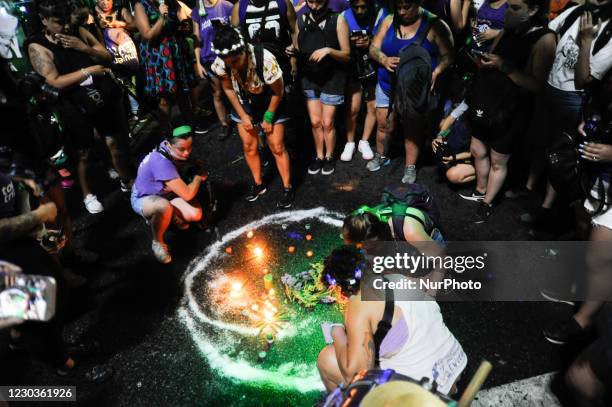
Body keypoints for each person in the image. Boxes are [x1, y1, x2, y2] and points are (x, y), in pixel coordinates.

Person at [27, 0, 133, 214]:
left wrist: (82, 47)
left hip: (98, 94)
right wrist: (88, 71)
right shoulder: (37, 45)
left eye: (67, 20)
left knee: (114, 142)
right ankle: (88, 194)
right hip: (70, 102)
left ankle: (126, 180)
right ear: (44, 20)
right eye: (59, 22)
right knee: (83, 152)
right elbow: (54, 81)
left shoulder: (78, 31)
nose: (65, 26)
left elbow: (106, 55)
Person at [513, 0, 612, 228]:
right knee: (540, 141)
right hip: (550, 85)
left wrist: (586, 41)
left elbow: (585, 80)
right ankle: (528, 188)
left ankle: (546, 211)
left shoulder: (609, 31)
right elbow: (550, 33)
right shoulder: (576, 10)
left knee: (560, 156)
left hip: (574, 97)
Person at [316, 245, 467, 394]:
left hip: (427, 392)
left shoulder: (359, 304)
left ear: (341, 287)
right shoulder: (397, 277)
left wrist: (337, 332)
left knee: (327, 359)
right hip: (455, 363)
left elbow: (355, 376)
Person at [461, 0, 556, 223]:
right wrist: (482, 63)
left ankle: (487, 203)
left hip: (513, 106)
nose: (508, 12)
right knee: (476, 147)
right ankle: (480, 190)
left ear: (533, 9)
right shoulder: (507, 30)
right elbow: (492, 58)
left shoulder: (545, 39)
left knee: (498, 159)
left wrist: (504, 66)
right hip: (488, 97)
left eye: (515, 8)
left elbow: (536, 85)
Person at [543, 73, 612, 345]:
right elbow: (586, 83)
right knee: (585, 230)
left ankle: (583, 319)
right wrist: (592, 124)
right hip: (598, 177)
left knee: (598, 256)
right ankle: (588, 290)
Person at [367, 0, 454, 184]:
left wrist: (436, 71)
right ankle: (381, 155)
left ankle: (410, 166)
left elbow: (449, 55)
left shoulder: (435, 25)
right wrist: (383, 59)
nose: (402, 11)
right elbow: (373, 47)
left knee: (411, 129)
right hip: (387, 83)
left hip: (414, 88)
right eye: (398, 7)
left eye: (407, 7)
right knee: (384, 123)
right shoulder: (389, 20)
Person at [211, 24, 294, 207]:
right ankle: (258, 183)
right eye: (228, 62)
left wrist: (268, 117)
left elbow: (278, 92)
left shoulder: (264, 59)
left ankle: (287, 187)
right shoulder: (223, 61)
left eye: (235, 61)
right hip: (244, 100)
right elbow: (227, 87)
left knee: (276, 146)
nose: (231, 65)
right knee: (249, 145)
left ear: (243, 51)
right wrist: (242, 114)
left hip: (269, 99)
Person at [131, 125, 206, 264]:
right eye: (182, 149)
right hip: (143, 198)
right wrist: (198, 177)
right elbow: (188, 195)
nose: (186, 153)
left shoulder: (166, 146)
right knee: (164, 207)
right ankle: (157, 242)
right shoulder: (161, 163)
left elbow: (184, 159)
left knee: (196, 214)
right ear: (169, 144)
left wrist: (190, 162)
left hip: (164, 193)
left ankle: (168, 216)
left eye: (189, 147)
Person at [297, 0, 350, 176]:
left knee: (328, 122)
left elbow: (347, 54)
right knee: (315, 122)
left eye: (317, 2)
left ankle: (329, 156)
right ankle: (318, 156)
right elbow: (297, 47)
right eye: (310, 2)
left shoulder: (338, 19)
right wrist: (292, 51)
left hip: (332, 77)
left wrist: (328, 50)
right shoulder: (301, 19)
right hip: (309, 77)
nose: (314, 6)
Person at [134, 0, 196, 132]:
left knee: (183, 92)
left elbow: (177, 26)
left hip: (175, 52)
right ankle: (166, 134)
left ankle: (191, 126)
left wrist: (183, 27)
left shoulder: (168, 2)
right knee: (165, 97)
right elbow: (147, 35)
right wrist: (162, 17)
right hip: (158, 58)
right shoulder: (141, 6)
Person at [338, 0, 382, 162]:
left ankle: (364, 141)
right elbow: (339, 43)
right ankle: (350, 143)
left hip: (373, 65)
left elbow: (386, 40)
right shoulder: (344, 16)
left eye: (364, 6)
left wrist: (370, 43)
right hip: (353, 66)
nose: (360, 10)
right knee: (353, 107)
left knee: (373, 105)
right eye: (356, 7)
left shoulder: (380, 15)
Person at [192, 0, 234, 139]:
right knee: (217, 93)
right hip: (209, 59)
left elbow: (236, 28)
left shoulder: (225, 6)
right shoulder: (198, 10)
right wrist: (198, 63)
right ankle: (224, 124)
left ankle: (242, 117)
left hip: (227, 55)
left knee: (235, 89)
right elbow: (196, 39)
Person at [95, 0, 140, 119]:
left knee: (131, 84)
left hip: (127, 55)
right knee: (115, 86)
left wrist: (120, 24)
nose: (105, 3)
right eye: (101, 0)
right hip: (108, 56)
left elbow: (136, 25)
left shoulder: (121, 11)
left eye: (108, 0)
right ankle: (123, 115)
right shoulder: (93, 14)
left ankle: (136, 112)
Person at [431, 100, 475, 184]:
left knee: (452, 175)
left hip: (476, 156)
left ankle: (485, 177)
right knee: (443, 124)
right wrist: (440, 136)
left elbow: (478, 153)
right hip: (462, 146)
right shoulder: (468, 101)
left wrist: (453, 158)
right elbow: (451, 120)